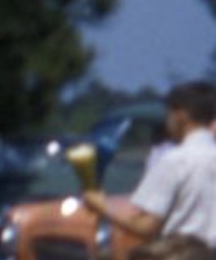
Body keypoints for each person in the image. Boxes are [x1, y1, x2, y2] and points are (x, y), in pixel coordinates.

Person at [91, 81, 216, 246]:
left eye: (169, 114)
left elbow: (148, 226)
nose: (167, 122)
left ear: (180, 115)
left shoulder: (175, 160)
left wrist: (103, 207)